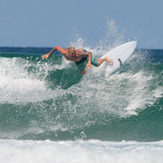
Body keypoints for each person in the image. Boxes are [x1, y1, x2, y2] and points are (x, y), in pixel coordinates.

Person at [42, 46, 113, 75]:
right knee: (83, 73)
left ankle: (104, 59)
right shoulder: (64, 52)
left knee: (97, 64)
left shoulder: (79, 53)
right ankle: (92, 75)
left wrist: (89, 62)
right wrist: (48, 54)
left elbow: (89, 53)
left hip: (84, 57)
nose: (74, 55)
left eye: (74, 53)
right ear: (68, 52)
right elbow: (56, 47)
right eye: (72, 54)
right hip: (78, 61)